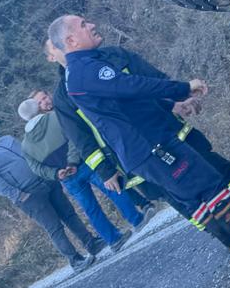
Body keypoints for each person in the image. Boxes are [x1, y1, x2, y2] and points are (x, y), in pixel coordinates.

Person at [51, 14, 230, 265]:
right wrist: (183, 88)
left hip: (143, 148)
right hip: (150, 146)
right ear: (71, 40)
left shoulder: (82, 70)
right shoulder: (85, 70)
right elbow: (133, 86)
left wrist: (171, 102)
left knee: (194, 198)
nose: (91, 24)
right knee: (208, 184)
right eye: (83, 25)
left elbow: (132, 93)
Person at [0, 117, 102, 273]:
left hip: (46, 181)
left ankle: (92, 243)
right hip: (29, 196)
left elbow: (30, 156)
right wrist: (20, 196)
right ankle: (75, 260)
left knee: (69, 215)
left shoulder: (7, 139)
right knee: (54, 227)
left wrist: (48, 173)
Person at [44, 41, 161, 213]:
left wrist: (176, 98)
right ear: (51, 57)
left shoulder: (110, 56)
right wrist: (105, 171)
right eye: (54, 46)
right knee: (176, 199)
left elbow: (147, 81)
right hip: (127, 154)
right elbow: (80, 138)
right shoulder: (63, 97)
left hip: (160, 132)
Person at [17, 92, 139, 251]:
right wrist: (71, 161)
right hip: (83, 163)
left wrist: (56, 173)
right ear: (37, 108)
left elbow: (36, 168)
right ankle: (136, 219)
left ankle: (113, 240)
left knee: (90, 208)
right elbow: (74, 138)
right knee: (112, 189)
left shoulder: (25, 145)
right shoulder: (56, 118)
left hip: (67, 179)